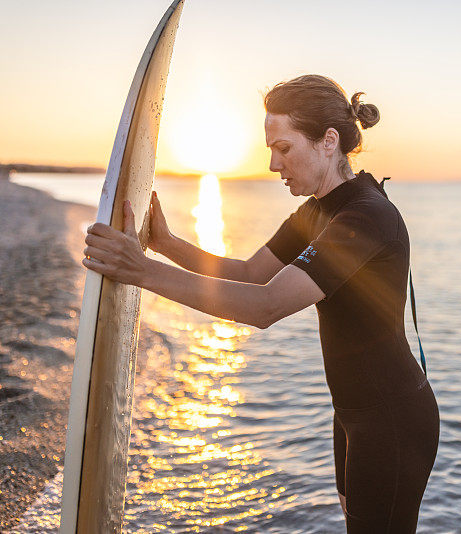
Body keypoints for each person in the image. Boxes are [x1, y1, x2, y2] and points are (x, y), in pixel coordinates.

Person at [82, 74, 440, 533]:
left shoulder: (365, 215)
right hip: (351, 414)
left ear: (328, 142)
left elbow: (265, 306)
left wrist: (141, 272)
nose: (273, 164)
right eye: (271, 149)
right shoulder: (317, 211)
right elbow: (250, 274)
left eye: (285, 149)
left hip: (391, 419)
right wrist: (165, 244)